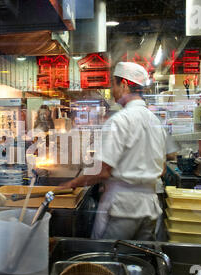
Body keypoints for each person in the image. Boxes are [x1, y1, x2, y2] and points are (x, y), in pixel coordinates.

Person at [60, 62, 167, 241]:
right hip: (149, 207)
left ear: (124, 85)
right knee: (141, 259)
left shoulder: (120, 121)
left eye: (114, 84)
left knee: (110, 258)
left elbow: (103, 171)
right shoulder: (155, 121)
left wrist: (73, 183)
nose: (112, 89)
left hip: (123, 208)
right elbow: (162, 169)